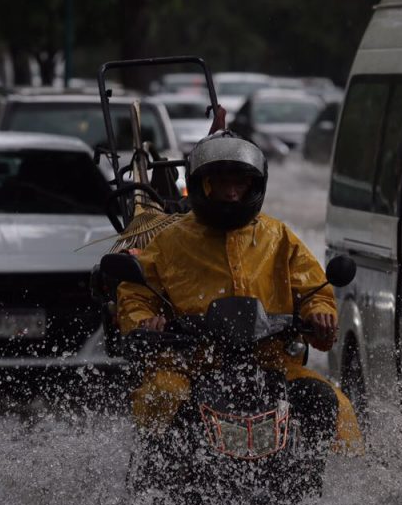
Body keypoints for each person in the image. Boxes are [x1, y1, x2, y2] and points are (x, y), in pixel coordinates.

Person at [116, 130, 362, 455]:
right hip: (192, 364)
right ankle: (157, 478)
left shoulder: (279, 237)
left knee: (327, 399)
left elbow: (313, 288)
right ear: (203, 184)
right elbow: (135, 294)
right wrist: (146, 322)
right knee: (163, 392)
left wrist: (320, 313)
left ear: (254, 185)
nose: (231, 193)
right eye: (222, 183)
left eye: (240, 183)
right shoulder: (170, 241)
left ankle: (314, 478)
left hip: (270, 361)